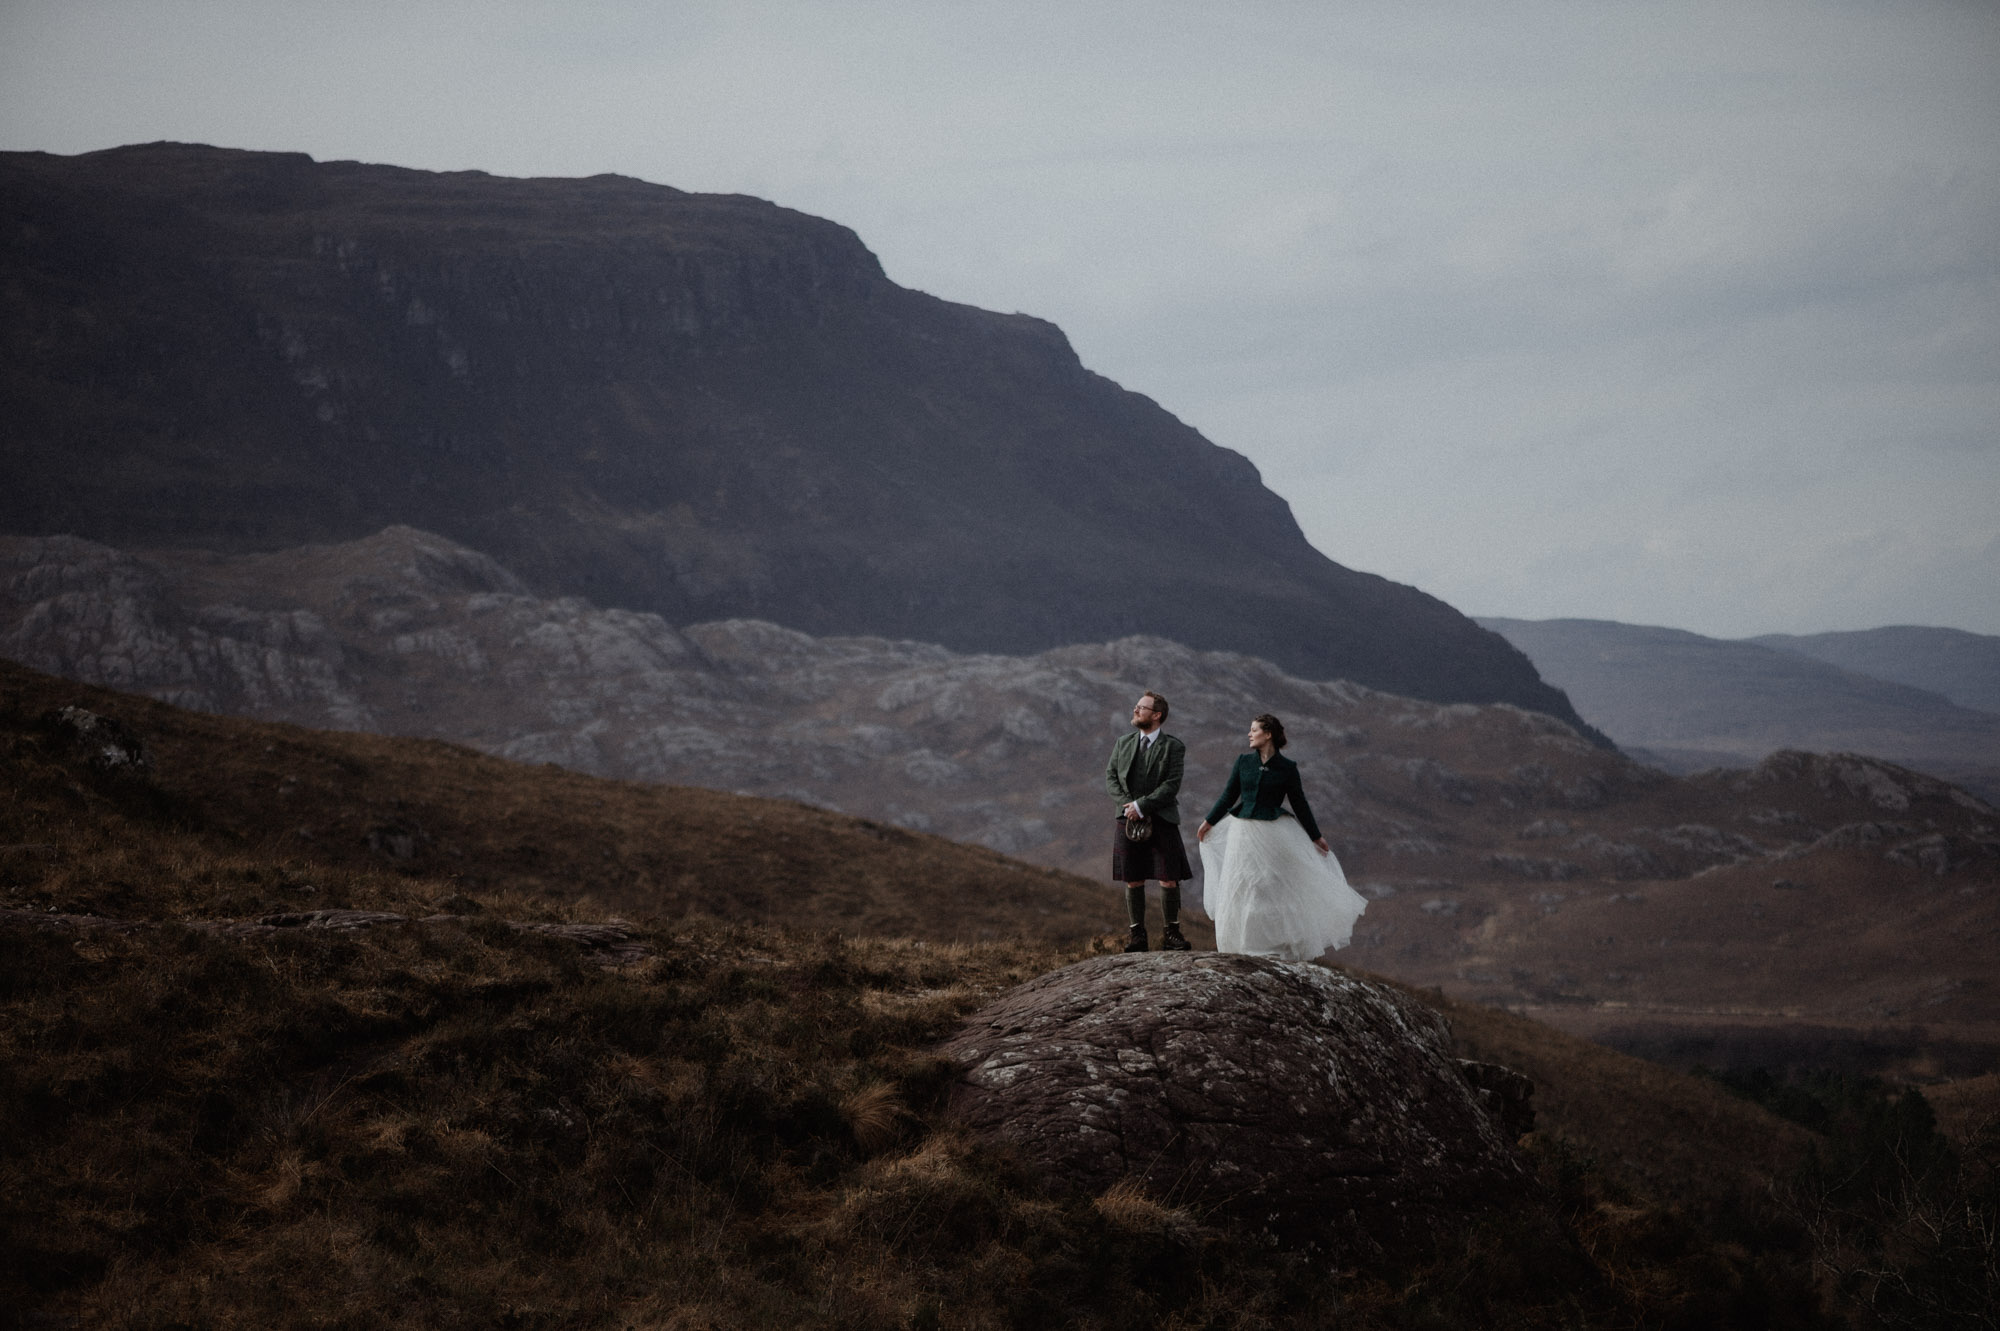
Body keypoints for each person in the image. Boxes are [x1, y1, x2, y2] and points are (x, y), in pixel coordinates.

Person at [1195, 712, 1367, 961]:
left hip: (1273, 835)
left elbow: (1300, 804)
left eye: (1254, 730)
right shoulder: (1243, 762)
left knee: (1270, 886)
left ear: (1268, 734)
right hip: (1242, 832)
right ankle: (1244, 944)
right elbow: (1228, 796)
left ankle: (1274, 945)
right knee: (1243, 884)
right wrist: (1208, 821)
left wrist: (1316, 836)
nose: (1249, 734)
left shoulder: (1287, 768)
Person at [1105, 690, 1192, 952]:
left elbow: (1171, 785)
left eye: (1141, 708)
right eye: (1136, 706)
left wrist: (1142, 805)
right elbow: (1111, 777)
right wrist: (1128, 805)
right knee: (1133, 876)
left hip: (1162, 818)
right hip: (1127, 817)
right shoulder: (1123, 743)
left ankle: (1171, 934)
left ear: (1156, 715)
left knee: (1169, 877)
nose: (1135, 710)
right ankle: (1137, 936)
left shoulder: (1174, 747)